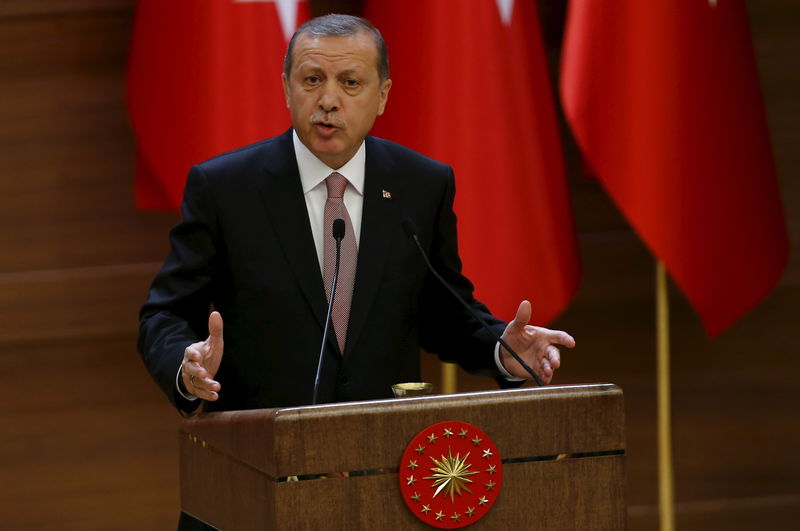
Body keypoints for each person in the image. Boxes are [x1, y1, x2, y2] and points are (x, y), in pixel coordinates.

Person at [138, 14, 575, 418]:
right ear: (287, 86)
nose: (328, 100)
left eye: (350, 83)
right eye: (312, 80)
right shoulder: (226, 188)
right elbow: (165, 314)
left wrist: (503, 348)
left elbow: (444, 313)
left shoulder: (420, 185)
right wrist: (186, 364)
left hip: (382, 463)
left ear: (382, 95)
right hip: (259, 458)